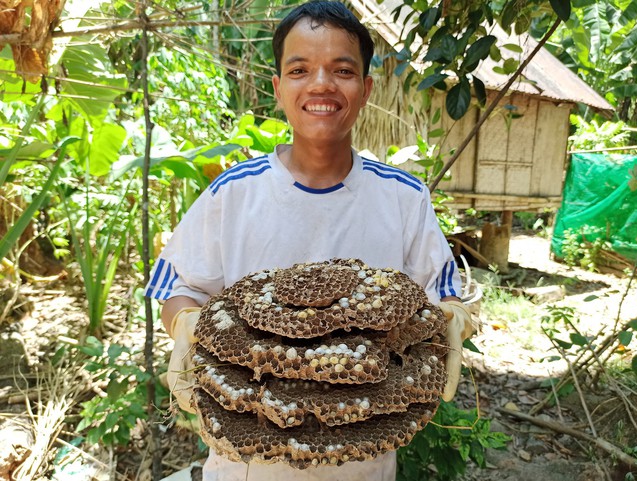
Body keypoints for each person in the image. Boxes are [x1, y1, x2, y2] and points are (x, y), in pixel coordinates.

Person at [146, 2, 476, 480]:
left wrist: (453, 316)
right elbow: (176, 286)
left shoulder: (403, 197)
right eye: (300, 69)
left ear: (365, 89)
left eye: (342, 70)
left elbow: (442, 293)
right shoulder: (233, 193)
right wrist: (186, 323)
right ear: (278, 89)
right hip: (246, 462)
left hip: (363, 459)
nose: (321, 83)